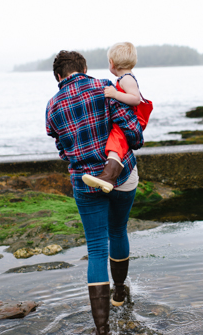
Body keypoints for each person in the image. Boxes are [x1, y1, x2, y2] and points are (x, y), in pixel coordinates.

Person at [45, 50, 143, 335]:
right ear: (84, 67)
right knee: (118, 231)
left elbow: (63, 149)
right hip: (121, 175)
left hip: (85, 181)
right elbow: (133, 133)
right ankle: (120, 293)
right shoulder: (105, 87)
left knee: (97, 248)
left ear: (58, 77)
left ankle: (102, 329)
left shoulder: (52, 105)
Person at [82, 42, 153, 193]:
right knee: (116, 143)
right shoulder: (125, 78)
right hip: (127, 119)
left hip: (132, 120)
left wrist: (115, 94)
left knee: (115, 142)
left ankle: (108, 176)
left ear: (111, 63)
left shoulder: (126, 78)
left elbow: (136, 99)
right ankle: (108, 176)